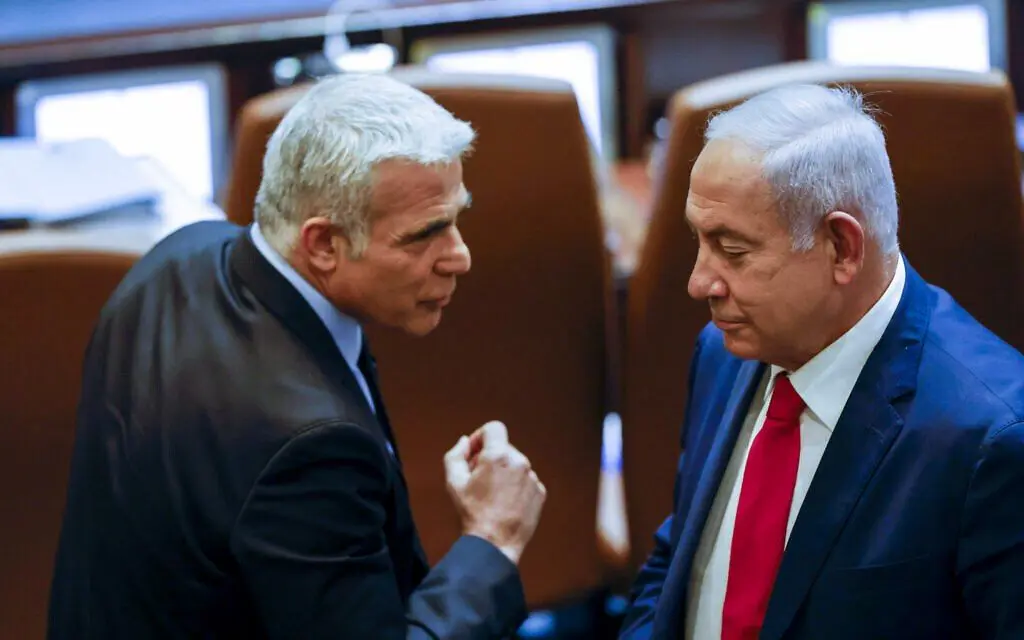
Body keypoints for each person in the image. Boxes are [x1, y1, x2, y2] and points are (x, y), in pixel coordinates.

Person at [47, 73, 547, 639]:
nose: (460, 257)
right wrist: (492, 539)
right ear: (323, 244)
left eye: (456, 218)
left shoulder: (175, 257)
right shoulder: (308, 445)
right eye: (425, 234)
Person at [619, 84, 1024, 639]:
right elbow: (679, 561)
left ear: (842, 247)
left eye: (733, 251)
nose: (698, 282)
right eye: (699, 242)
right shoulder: (722, 352)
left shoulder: (992, 439)